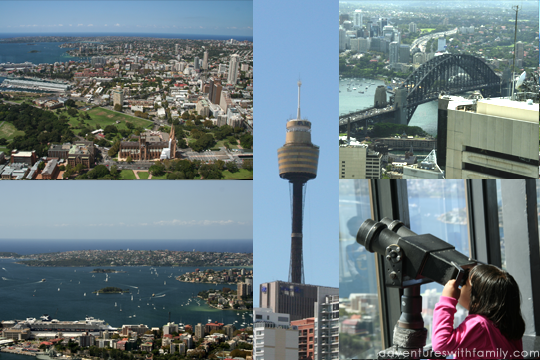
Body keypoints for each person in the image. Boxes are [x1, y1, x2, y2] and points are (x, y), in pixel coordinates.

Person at [432, 264, 525, 359]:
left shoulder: (480, 326)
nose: (460, 288)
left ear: (477, 299)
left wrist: (447, 300)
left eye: (464, 283)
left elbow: (440, 346)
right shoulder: (505, 320)